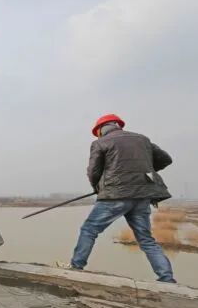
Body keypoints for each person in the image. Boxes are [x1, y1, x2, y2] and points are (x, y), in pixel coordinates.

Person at [61, 114, 176, 283]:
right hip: (142, 195)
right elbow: (166, 159)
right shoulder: (142, 140)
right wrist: (142, 173)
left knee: (89, 230)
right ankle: (167, 279)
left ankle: (76, 267)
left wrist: (97, 187)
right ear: (117, 125)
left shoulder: (100, 143)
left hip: (115, 195)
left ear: (100, 130)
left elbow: (93, 171)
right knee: (146, 239)